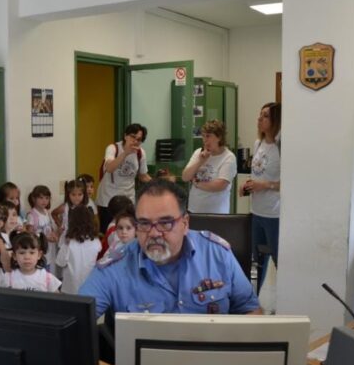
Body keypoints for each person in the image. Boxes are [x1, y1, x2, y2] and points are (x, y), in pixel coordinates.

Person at [80, 178, 261, 318]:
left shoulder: (216, 254)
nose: (154, 233)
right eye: (144, 223)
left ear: (185, 223)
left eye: (165, 223)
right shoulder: (116, 266)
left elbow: (252, 312)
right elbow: (76, 320)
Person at [240, 102, 281, 292]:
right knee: (256, 261)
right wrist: (248, 184)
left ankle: (286, 301)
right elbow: (258, 173)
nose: (259, 119)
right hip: (256, 211)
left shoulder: (282, 147)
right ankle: (252, 300)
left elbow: (291, 184)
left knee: (279, 260)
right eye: (260, 114)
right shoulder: (258, 144)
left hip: (274, 214)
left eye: (265, 116)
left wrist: (264, 185)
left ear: (275, 120)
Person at [95, 123, 152, 233]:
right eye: (132, 137)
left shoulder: (140, 153)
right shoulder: (113, 148)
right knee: (108, 231)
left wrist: (159, 184)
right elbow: (110, 168)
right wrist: (125, 153)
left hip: (128, 199)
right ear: (125, 136)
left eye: (139, 139)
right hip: (108, 199)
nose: (135, 141)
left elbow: (143, 175)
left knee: (127, 232)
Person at [182, 120, 237, 214]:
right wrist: (200, 161)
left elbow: (220, 185)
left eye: (208, 136)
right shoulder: (198, 152)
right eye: (203, 136)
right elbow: (185, 177)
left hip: (216, 213)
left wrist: (197, 183)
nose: (204, 140)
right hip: (194, 210)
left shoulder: (229, 157)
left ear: (219, 137)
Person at [56, 205, 101, 294]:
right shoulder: (96, 242)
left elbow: (60, 262)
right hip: (90, 285)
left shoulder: (69, 243)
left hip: (70, 288)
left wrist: (65, 244)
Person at [26, 185, 58, 270]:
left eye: (47, 198)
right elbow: (30, 235)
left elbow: (50, 227)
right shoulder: (32, 215)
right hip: (40, 249)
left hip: (50, 248)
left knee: (49, 267)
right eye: (41, 198)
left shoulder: (46, 212)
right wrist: (45, 238)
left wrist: (54, 234)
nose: (44, 201)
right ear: (34, 199)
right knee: (42, 268)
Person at [51, 178, 89, 244]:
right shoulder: (65, 207)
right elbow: (53, 213)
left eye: (80, 194)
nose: (76, 197)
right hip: (66, 238)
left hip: (80, 237)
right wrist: (60, 224)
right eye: (73, 195)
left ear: (84, 194)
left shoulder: (85, 208)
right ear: (68, 194)